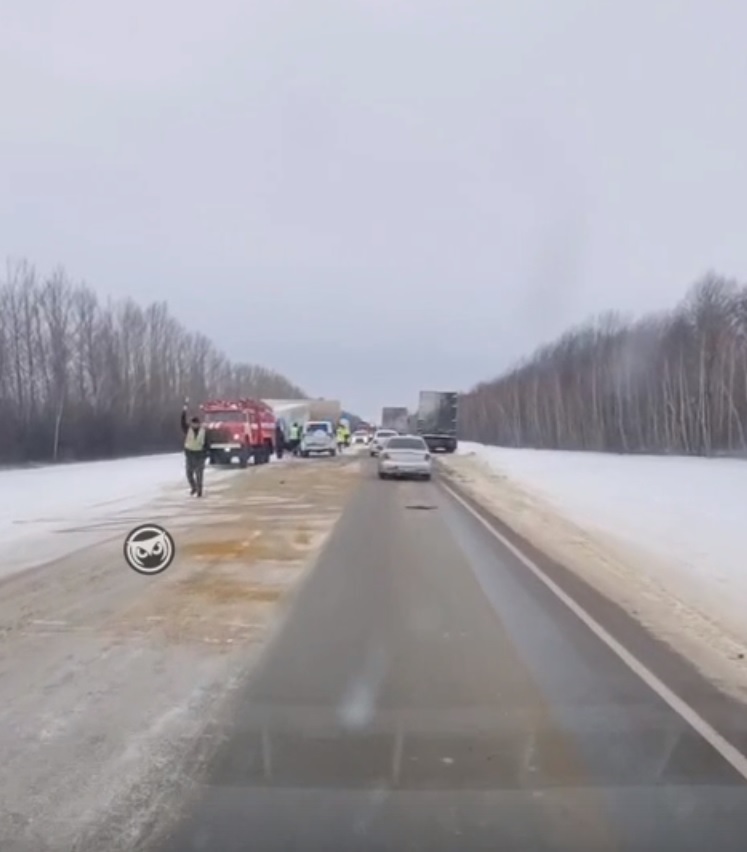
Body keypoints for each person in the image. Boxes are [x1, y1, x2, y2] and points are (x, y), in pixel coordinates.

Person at [180, 402, 211, 497]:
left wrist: (206, 454)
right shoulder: (187, 429)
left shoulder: (203, 432)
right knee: (189, 474)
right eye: (193, 423)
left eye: (196, 424)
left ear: (198, 424)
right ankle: (193, 487)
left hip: (200, 455)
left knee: (199, 474)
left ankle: (199, 491)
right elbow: (182, 422)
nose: (194, 425)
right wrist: (184, 410)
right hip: (190, 454)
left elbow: (207, 443)